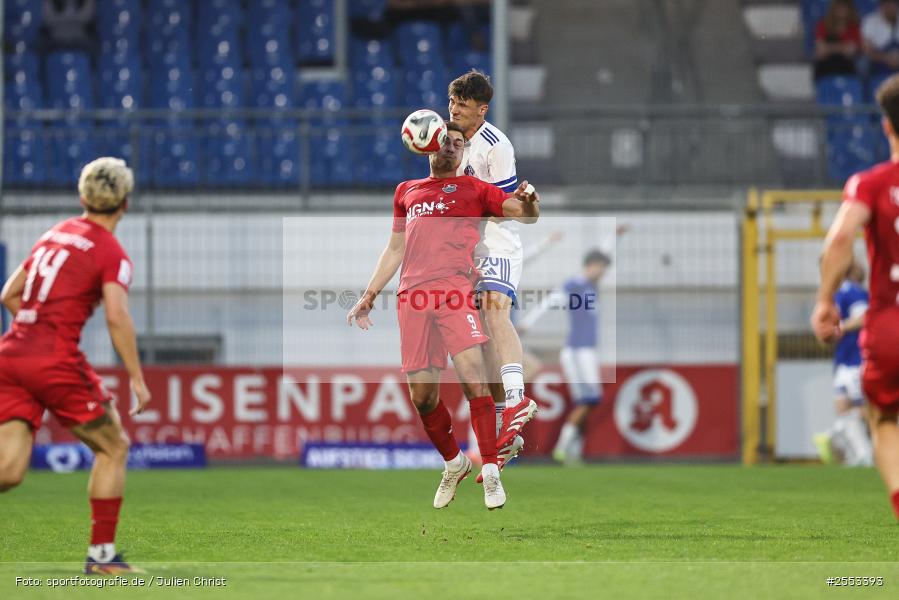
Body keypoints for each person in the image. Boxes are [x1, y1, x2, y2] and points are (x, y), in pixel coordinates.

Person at [347, 122, 539, 510]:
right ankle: (453, 463)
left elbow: (526, 215)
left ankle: (490, 472)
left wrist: (531, 200)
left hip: (454, 293)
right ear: (428, 145)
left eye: (458, 143)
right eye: (445, 141)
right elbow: (394, 249)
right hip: (412, 298)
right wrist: (368, 295)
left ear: (463, 153)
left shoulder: (473, 189)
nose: (450, 147)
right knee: (422, 397)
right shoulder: (407, 192)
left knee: (474, 381)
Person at [0, 157, 151, 572]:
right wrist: (137, 378)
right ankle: (102, 556)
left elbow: (9, 295)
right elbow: (116, 315)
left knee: (8, 472)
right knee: (113, 446)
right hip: (52, 359)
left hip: (11, 355)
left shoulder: (55, 233)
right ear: (126, 203)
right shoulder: (111, 252)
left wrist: (35, 332)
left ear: (82, 196)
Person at [811, 73, 899, 520]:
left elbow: (840, 237)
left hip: (890, 324)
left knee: (884, 420)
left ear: (887, 126)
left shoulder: (871, 183)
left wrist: (825, 300)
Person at [447, 70, 538, 475]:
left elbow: (504, 207)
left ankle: (518, 397)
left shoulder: (495, 145)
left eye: (462, 107)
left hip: (496, 244)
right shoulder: (447, 140)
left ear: (482, 109)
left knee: (495, 309)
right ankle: (507, 428)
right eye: (452, 103)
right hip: (463, 251)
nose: (454, 111)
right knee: (481, 345)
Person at [813, 259, 873, 466]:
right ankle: (861, 454)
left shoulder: (852, 291)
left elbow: (865, 317)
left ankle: (841, 440)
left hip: (858, 360)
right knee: (843, 409)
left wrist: (840, 328)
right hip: (843, 361)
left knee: (865, 411)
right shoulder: (833, 297)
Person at [813, 0, 862, 81]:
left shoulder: (855, 27)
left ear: (850, 9)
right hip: (826, 65)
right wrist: (843, 47)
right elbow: (820, 50)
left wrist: (829, 48)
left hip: (846, 65)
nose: (841, 10)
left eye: (844, 7)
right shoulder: (822, 25)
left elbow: (851, 50)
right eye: (838, 7)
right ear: (833, 8)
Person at [861, 0, 899, 78]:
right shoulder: (870, 21)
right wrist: (886, 58)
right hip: (878, 60)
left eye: (893, 4)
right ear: (881, 5)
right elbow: (867, 50)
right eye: (886, 4)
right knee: (863, 63)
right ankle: (866, 90)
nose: (890, 7)